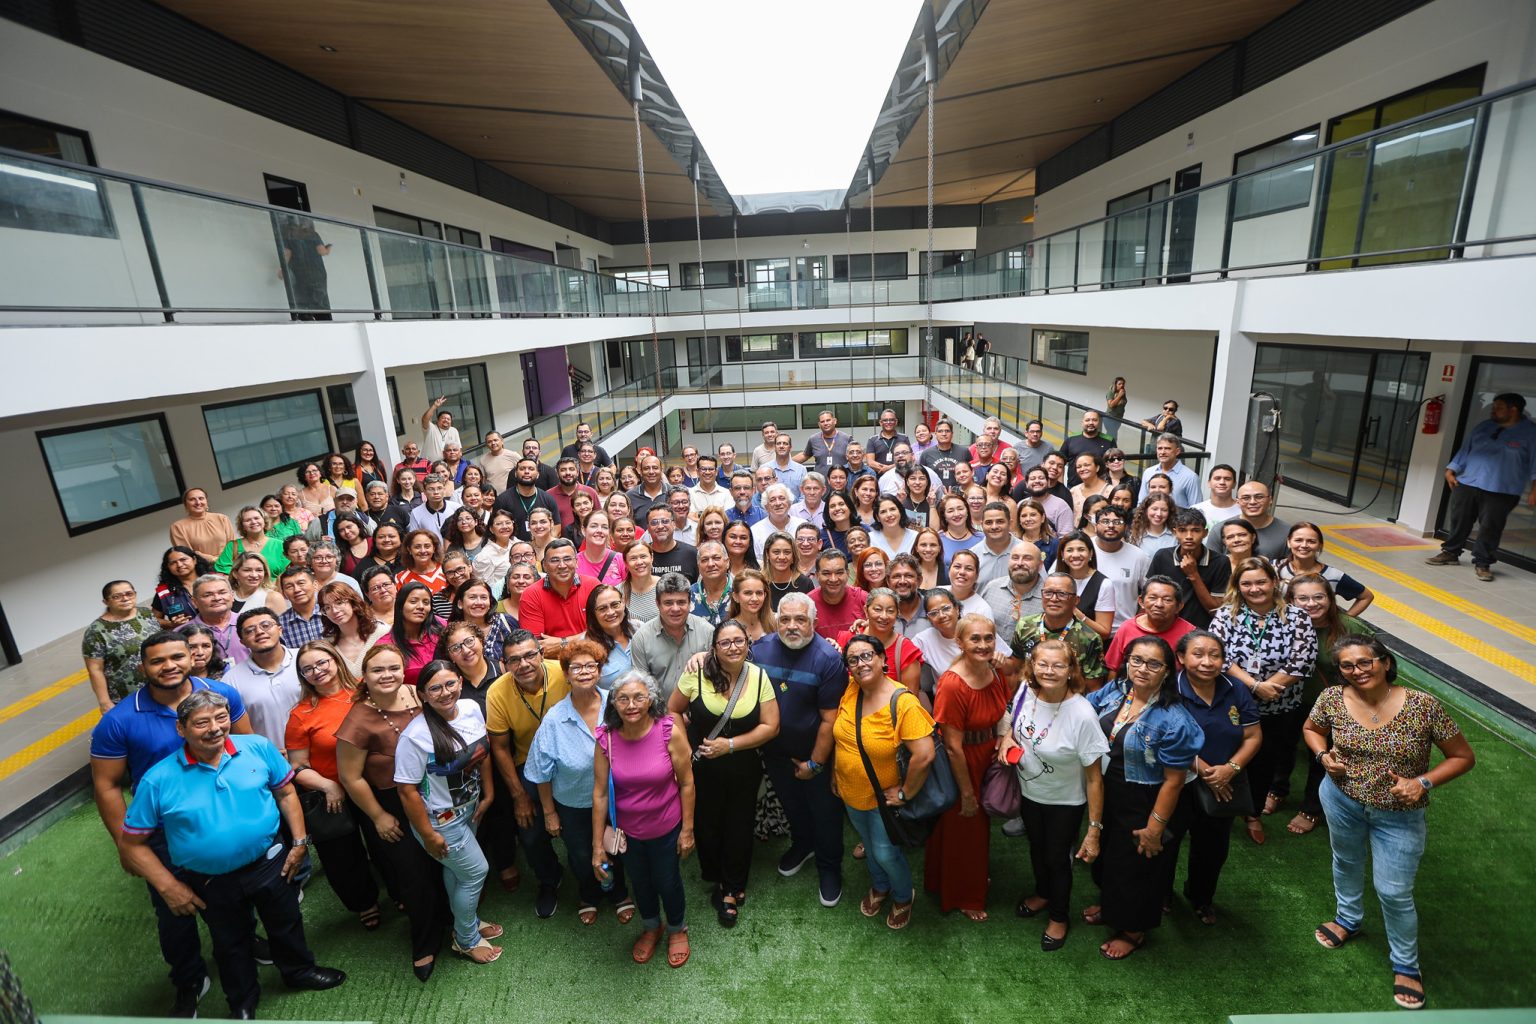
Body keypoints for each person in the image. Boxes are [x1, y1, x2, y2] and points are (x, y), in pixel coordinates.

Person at [119, 688, 346, 1017]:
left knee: (286, 922)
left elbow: (285, 793)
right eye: (201, 722)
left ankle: (299, 972)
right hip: (210, 879)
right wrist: (169, 887)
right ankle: (242, 1001)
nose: (214, 727)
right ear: (181, 729)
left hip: (271, 861)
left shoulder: (257, 747)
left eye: (221, 718)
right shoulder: (157, 779)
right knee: (231, 942)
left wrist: (298, 843)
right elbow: (132, 843)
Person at [1303, 636, 1476, 1011]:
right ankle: (1347, 919)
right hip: (1340, 798)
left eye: (1365, 662)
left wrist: (1422, 782)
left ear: (1384, 662)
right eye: (1347, 666)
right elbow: (1312, 729)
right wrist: (1322, 757)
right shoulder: (1332, 698)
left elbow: (1462, 757)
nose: (1357, 671)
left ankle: (1405, 965)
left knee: (1394, 891)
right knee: (1345, 861)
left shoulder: (1423, 706)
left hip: (1398, 816)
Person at [89, 631, 252, 1017]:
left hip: (223, 820)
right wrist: (126, 846)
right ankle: (189, 979)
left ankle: (248, 947)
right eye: (158, 661)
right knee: (173, 910)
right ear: (143, 667)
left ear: (191, 657)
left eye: (177, 657)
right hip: (164, 834)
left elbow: (247, 746)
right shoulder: (118, 721)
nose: (169, 666)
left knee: (234, 898)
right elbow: (107, 786)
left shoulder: (221, 694)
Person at [332, 645, 449, 980]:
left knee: (443, 861)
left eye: (393, 668)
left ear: (404, 670)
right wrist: (379, 817)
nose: (387, 676)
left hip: (434, 794)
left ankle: (457, 922)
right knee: (414, 875)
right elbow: (349, 777)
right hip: (391, 804)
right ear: (363, 677)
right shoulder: (357, 718)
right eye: (378, 670)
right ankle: (425, 942)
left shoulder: (417, 694)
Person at [1084, 636, 1204, 960]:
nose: (1142, 669)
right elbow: (1086, 707)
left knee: (1138, 864)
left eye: (1153, 664)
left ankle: (1134, 930)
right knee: (1110, 855)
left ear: (1167, 671)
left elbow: (1174, 782)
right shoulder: (1117, 690)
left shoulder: (1174, 719)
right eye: (1136, 660)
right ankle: (1111, 908)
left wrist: (1154, 828)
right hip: (1111, 788)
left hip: (1147, 797)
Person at [667, 620, 779, 928]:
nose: (733, 647)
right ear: (714, 648)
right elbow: (672, 710)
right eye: (725, 642)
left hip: (743, 766)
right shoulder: (696, 674)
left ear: (748, 644)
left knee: (739, 827)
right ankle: (715, 875)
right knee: (707, 825)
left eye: (739, 641)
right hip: (702, 766)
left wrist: (729, 745)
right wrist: (682, 748)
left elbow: (771, 726)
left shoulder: (758, 677)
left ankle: (732, 887)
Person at [1000, 638, 1108, 950]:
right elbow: (1014, 721)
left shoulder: (1082, 714)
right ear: (1032, 666)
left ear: (1072, 669)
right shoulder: (1025, 690)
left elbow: (1094, 779)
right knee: (1036, 848)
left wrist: (1093, 830)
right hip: (1029, 791)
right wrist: (1007, 738)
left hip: (1065, 801)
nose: (1049, 671)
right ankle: (1043, 893)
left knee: (1057, 858)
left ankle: (1059, 916)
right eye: (1042, 664)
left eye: (1058, 665)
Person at [394, 660, 500, 964]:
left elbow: (482, 752)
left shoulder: (470, 708)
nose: (445, 692)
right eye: (435, 688)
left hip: (471, 808)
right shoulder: (414, 736)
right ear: (423, 695)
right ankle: (466, 940)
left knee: (459, 873)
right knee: (476, 872)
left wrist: (489, 793)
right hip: (441, 821)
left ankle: (464, 924)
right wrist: (428, 834)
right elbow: (407, 790)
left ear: (460, 682)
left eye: (450, 683)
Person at [525, 639, 635, 926]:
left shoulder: (618, 702)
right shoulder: (554, 719)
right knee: (581, 852)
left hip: (616, 797)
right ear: (567, 674)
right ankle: (589, 894)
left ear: (599, 671)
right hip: (574, 802)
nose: (585, 671)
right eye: (577, 667)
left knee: (616, 846)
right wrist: (549, 813)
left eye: (591, 666)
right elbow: (541, 772)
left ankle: (619, 892)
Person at [592, 671, 697, 968]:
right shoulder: (606, 739)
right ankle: (652, 927)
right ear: (614, 703)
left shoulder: (668, 730)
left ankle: (677, 928)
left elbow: (687, 783)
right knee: (640, 882)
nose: (631, 705)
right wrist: (597, 845)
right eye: (622, 698)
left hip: (666, 828)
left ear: (651, 699)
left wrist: (687, 830)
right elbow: (599, 794)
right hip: (628, 833)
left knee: (668, 881)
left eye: (639, 697)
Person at [1209, 558, 1318, 845]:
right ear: (1237, 586)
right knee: (1226, 757)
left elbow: (1303, 660)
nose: (1255, 588)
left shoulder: (1297, 617)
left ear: (1274, 582)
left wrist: (1272, 688)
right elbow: (1217, 657)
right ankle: (1221, 807)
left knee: (1264, 762)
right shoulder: (1225, 616)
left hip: (1279, 706)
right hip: (1231, 704)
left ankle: (1252, 812)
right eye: (1246, 583)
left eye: (1261, 582)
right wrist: (1256, 686)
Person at [832, 634, 936, 931]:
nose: (861, 663)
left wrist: (905, 792)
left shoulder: (902, 702)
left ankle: (903, 896)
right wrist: (835, 775)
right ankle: (880, 886)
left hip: (884, 799)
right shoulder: (852, 689)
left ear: (882, 659)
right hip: (851, 791)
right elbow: (843, 740)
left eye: (867, 656)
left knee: (885, 852)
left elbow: (925, 754)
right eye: (853, 659)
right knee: (869, 845)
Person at [1163, 630, 1261, 926]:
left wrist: (1230, 769)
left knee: (1213, 847)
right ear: (1180, 658)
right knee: (1167, 840)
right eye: (1198, 654)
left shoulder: (1235, 688)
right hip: (1176, 781)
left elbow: (1254, 735)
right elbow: (1164, 736)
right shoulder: (1169, 688)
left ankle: (1200, 897)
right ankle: (1161, 894)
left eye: (1214, 655)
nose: (1207, 662)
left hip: (1223, 784)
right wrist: (1205, 770)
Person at [285, 641, 384, 932]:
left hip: (374, 784)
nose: (316, 671)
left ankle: (399, 889)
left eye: (321, 663)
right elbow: (296, 766)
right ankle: (364, 902)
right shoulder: (300, 715)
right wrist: (329, 785)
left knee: (385, 841)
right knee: (342, 854)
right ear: (302, 676)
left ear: (335, 660)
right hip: (333, 793)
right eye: (307, 669)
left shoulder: (365, 692)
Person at [925, 613, 1010, 921]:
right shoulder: (952, 684)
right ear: (959, 642)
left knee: (973, 830)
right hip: (962, 762)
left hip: (987, 754)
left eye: (989, 638)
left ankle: (947, 879)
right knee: (965, 827)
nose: (984, 644)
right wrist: (967, 793)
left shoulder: (994, 671)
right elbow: (951, 746)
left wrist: (1004, 738)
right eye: (975, 639)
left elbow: (1005, 709)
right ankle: (963, 895)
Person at [1281, 573, 1368, 836]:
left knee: (1322, 757)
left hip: (1332, 709)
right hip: (1289, 701)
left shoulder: (1350, 628)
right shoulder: (1282, 624)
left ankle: (1311, 808)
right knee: (1282, 748)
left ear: (1329, 599)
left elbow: (1371, 670)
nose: (1311, 604)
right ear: (1290, 601)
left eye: (1318, 597)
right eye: (1303, 598)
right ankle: (1276, 790)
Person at [1426, 392, 1536, 581]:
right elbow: (1465, 450)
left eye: (1498, 407)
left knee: (1490, 527)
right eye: (1493, 406)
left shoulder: (1531, 433)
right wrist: (1451, 470)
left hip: (1502, 489)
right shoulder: (1484, 427)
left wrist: (1534, 490)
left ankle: (1483, 563)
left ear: (1514, 409)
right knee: (1459, 520)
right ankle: (1451, 553)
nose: (1493, 410)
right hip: (1468, 482)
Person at [1011, 571, 1108, 691]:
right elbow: (1015, 669)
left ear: (1076, 600)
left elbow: (1093, 688)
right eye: (1048, 593)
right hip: (1029, 699)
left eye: (1062, 594)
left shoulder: (1089, 638)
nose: (1054, 599)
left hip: (1068, 702)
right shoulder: (1025, 625)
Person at [84, 580, 160, 711]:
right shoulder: (96, 631)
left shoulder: (146, 614)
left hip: (161, 686)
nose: (125, 598)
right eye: (116, 596)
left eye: (129, 594)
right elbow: (95, 669)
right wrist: (104, 702)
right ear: (106, 602)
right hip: (127, 695)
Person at [1148, 508, 1229, 629]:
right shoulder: (1162, 556)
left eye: (1196, 530)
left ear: (1205, 533)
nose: (1189, 536)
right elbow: (1149, 596)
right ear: (1175, 532)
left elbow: (1215, 610)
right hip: (1164, 629)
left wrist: (1193, 574)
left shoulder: (1220, 562)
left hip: (1202, 631)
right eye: (1182, 530)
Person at [1276, 522, 1375, 617]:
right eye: (1298, 540)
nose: (1304, 545)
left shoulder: (1333, 575)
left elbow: (1366, 596)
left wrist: (1345, 620)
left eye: (1311, 541)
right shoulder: (1274, 568)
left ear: (1320, 545)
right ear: (1289, 542)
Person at [1104, 576, 1196, 675]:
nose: (1159, 604)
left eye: (1167, 600)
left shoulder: (1189, 634)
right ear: (1141, 601)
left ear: (1179, 607)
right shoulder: (1127, 628)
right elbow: (1113, 668)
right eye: (1153, 598)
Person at [1090, 505, 1150, 632]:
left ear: (1126, 527)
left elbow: (1149, 593)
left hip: (1125, 630)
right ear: (1095, 525)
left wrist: (1137, 622)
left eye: (1117, 522)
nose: (1111, 526)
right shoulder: (1082, 549)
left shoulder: (1139, 556)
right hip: (1086, 629)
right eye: (1105, 521)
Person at [1206, 481, 1289, 560]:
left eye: (1259, 497)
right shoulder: (1221, 529)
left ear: (1270, 500)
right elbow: (1211, 567)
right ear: (1238, 502)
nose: (1252, 502)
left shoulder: (1287, 532)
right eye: (1246, 498)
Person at [809, 549, 867, 641]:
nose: (833, 579)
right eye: (826, 573)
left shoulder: (863, 599)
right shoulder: (807, 604)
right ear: (817, 575)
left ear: (847, 574)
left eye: (839, 573)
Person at [169, 487, 237, 565]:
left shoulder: (222, 518)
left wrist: (215, 559)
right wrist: (213, 560)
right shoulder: (178, 527)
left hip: (229, 566)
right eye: (192, 499)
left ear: (206, 501)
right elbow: (188, 555)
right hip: (204, 570)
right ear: (185, 504)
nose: (198, 502)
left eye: (201, 498)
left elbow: (233, 548)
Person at [1057, 411, 1115, 487]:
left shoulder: (1109, 441)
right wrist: (1060, 486)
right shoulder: (1071, 439)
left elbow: (1114, 466)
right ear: (1082, 422)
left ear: (1099, 422)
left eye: (1094, 420)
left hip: (1100, 490)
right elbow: (1059, 463)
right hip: (1073, 489)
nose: (1091, 423)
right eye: (1087, 420)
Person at [1104, 377, 1128, 442]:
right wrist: (1119, 396)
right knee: (1112, 435)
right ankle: (1110, 449)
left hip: (1118, 418)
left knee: (1113, 435)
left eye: (1123, 384)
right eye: (1119, 384)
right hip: (1110, 418)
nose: (1122, 385)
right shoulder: (1111, 392)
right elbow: (1111, 405)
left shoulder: (1122, 392)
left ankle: (1110, 449)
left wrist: (1121, 394)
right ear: (1115, 384)